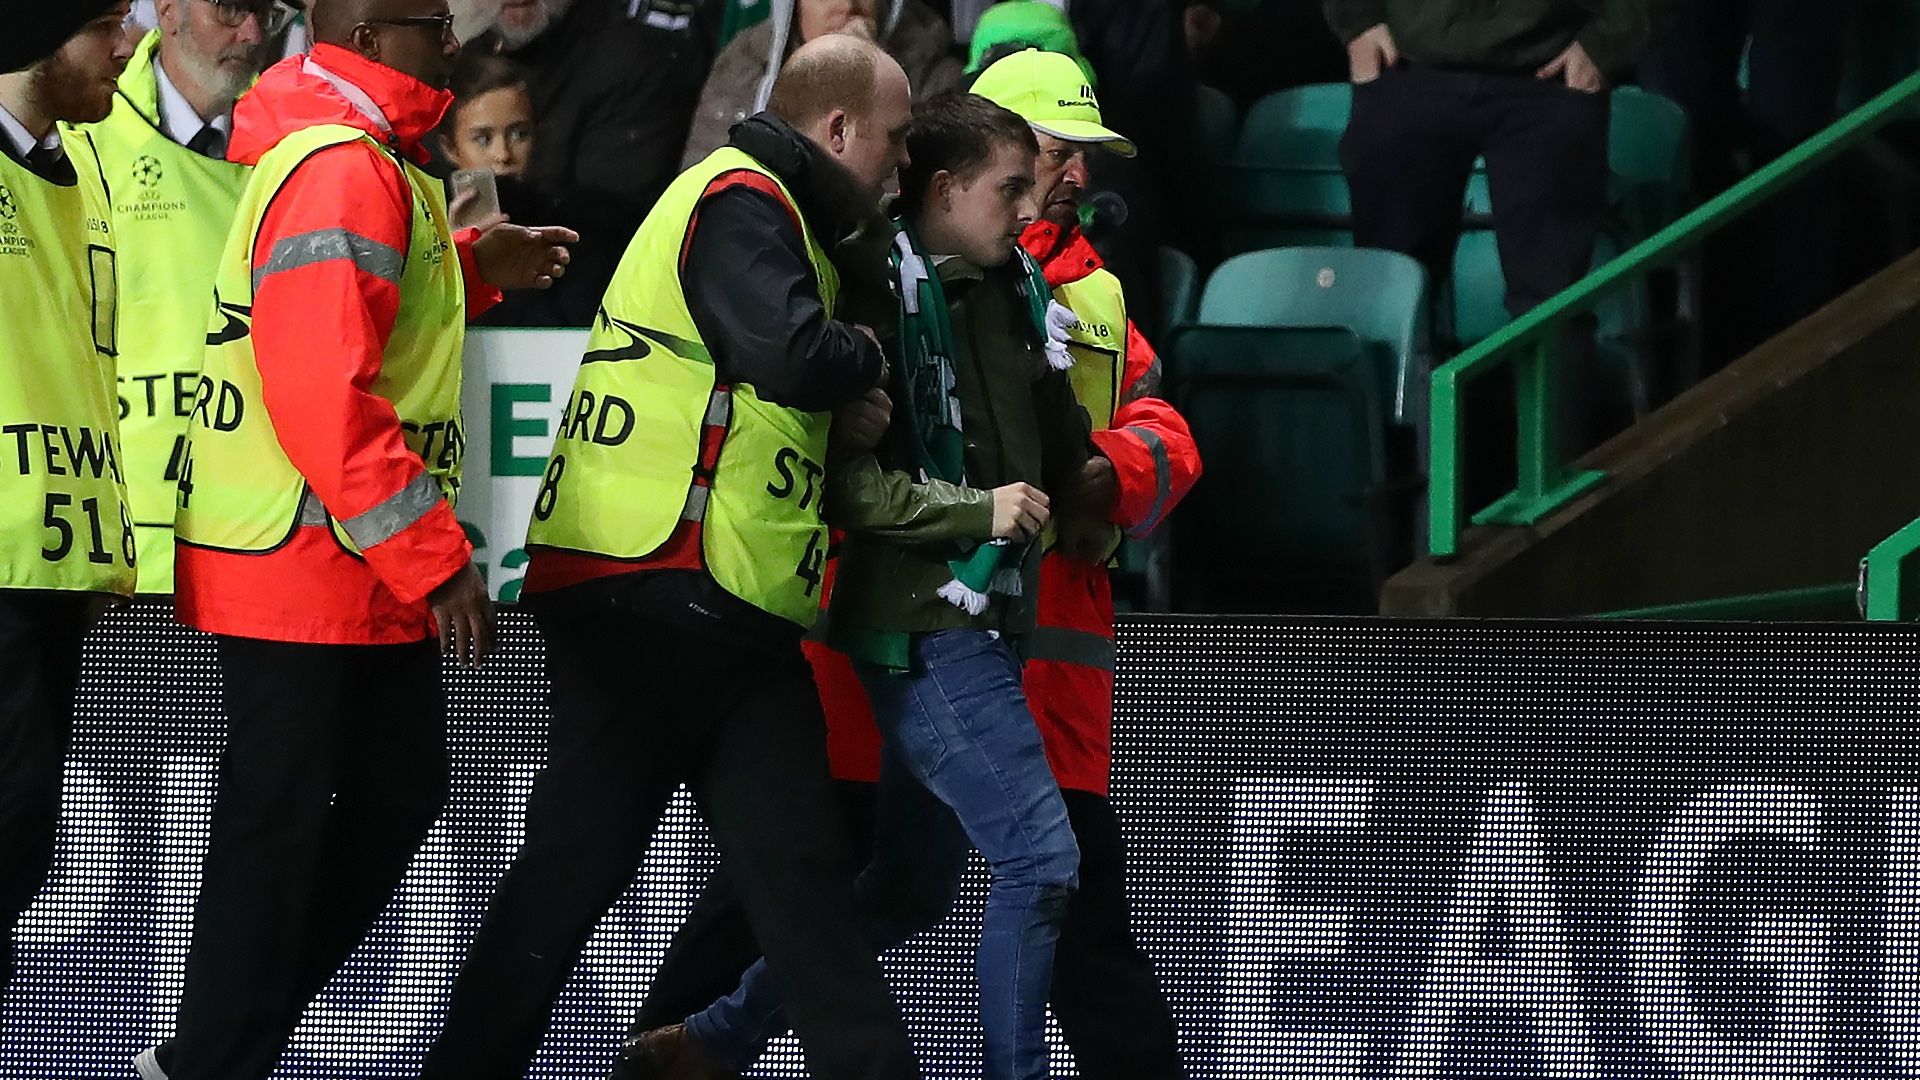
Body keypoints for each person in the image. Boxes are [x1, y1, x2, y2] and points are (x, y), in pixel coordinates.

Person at [625, 48, 1202, 1080]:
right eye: (1040, 165)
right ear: (961, 172)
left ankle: (705, 1041)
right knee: (1032, 875)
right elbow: (841, 469)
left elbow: (1132, 433)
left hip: (1012, 645)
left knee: (904, 891)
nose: (1065, 184)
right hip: (914, 636)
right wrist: (978, 504)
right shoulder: (873, 285)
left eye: (1067, 166)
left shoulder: (1052, 292)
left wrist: (1101, 475)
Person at [420, 34, 921, 1080]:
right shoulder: (741, 200)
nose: (903, 165)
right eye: (897, 141)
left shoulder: (775, 217)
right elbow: (787, 351)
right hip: (647, 597)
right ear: (837, 129)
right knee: (587, 883)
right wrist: (868, 355)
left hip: (713, 608)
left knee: (797, 887)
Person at [133, 0, 577, 1075]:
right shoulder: (343, 162)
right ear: (372, 38)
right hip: (305, 554)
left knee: (381, 795)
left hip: (337, 554)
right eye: (434, 20)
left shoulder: (373, 156)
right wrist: (437, 561)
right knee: (281, 824)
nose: (459, 40)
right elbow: (323, 393)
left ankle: (219, 1043)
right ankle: (210, 1054)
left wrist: (475, 265)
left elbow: (372, 308)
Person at [1326, 0, 1660, 486]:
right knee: (1387, 304)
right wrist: (1356, 23)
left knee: (1550, 307)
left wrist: (1606, 45)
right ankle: (1384, 524)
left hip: (1549, 80)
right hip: (1406, 69)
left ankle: (1552, 502)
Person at [0, 0, 138, 1008]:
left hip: (52, 566)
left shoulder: (81, 177)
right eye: (105, 24)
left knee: (19, 853)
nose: (129, 47)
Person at [68, 0, 289, 597]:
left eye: (266, 14)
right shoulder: (82, 133)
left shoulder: (292, 140)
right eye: (231, 8)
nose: (251, 33)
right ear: (167, 9)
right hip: (118, 543)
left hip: (255, 537)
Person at [474, 0, 708, 326]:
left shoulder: (629, 61)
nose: (502, 153)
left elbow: (610, 228)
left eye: (520, 134)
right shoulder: (454, 57)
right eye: (482, 138)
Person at [681, 0, 962, 168]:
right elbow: (701, 173)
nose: (848, 6)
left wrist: (867, 82)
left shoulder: (934, 74)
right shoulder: (744, 62)